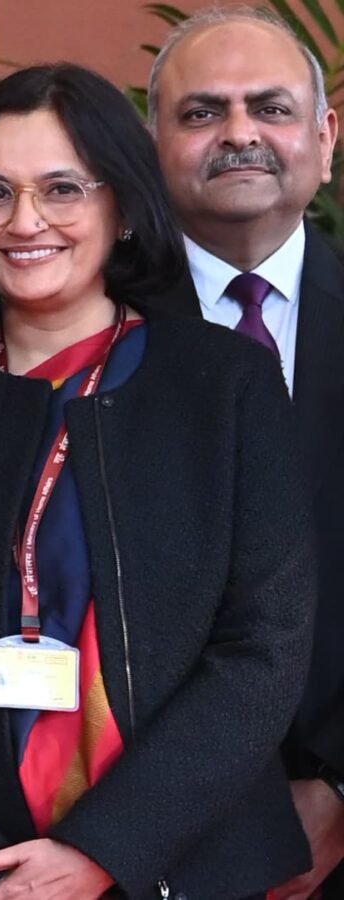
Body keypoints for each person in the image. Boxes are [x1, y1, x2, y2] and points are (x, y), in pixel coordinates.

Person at [0, 64, 314, 899]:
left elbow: (264, 650)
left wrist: (103, 850)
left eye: (62, 189)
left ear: (122, 207)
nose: (25, 222)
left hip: (179, 865)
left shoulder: (224, 385)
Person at [148, 11, 344, 897]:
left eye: (269, 107)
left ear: (323, 135)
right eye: (201, 113)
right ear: (153, 141)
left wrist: (341, 786)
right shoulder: (88, 331)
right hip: (150, 834)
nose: (238, 134)